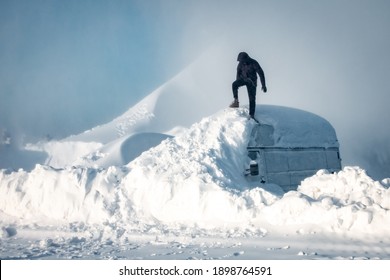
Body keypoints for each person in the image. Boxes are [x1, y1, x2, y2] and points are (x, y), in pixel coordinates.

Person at [229, 52, 267, 118]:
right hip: (243, 79)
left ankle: (251, 115)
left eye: (243, 61)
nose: (241, 62)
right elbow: (238, 72)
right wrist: (238, 81)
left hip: (252, 82)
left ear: (246, 58)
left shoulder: (254, 63)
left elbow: (261, 73)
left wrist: (263, 85)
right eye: (240, 61)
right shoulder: (240, 64)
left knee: (252, 98)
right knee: (234, 84)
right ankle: (236, 101)